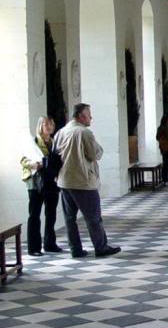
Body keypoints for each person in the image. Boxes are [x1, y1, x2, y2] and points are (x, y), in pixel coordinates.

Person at [53, 103, 121, 259]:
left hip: (64, 181)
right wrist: (98, 148)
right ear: (81, 116)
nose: (91, 117)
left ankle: (75, 249)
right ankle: (101, 247)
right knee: (93, 217)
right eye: (89, 114)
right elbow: (95, 154)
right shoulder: (84, 132)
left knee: (70, 219)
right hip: (83, 181)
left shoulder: (61, 132)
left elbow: (55, 154)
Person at [20, 116, 62, 257]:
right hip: (36, 181)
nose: (49, 127)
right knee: (34, 214)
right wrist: (33, 165)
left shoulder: (54, 142)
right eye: (46, 124)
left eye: (51, 124)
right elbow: (23, 160)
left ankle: (50, 244)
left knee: (51, 213)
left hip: (51, 181)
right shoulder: (33, 142)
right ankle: (34, 247)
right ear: (40, 126)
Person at [156, 113, 168, 185]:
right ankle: (165, 180)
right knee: (166, 164)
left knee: (166, 163)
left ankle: (165, 179)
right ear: (166, 119)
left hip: (167, 148)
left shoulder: (164, 127)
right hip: (166, 148)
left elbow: (158, 137)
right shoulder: (164, 127)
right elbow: (167, 137)